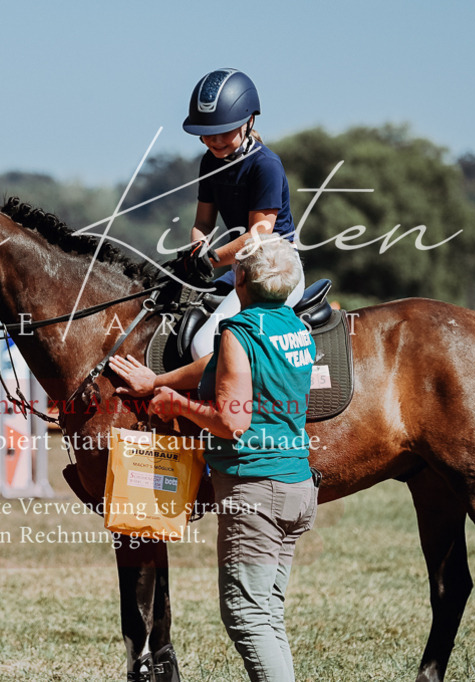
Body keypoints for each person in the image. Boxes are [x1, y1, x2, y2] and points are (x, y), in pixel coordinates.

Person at [111, 237, 317, 682]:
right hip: (297, 487)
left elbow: (232, 423)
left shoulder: (238, 334)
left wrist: (177, 405)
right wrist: (158, 380)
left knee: (246, 617)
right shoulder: (297, 329)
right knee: (266, 615)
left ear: (239, 279)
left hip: (257, 490)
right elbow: (216, 370)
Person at [182, 68, 305, 362]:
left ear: (249, 121)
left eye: (224, 131)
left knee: (203, 347)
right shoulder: (209, 163)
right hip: (240, 270)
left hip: (275, 270)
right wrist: (198, 248)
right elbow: (202, 223)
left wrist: (209, 260)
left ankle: (245, 408)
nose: (215, 141)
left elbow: (259, 236)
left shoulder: (266, 165)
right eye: (206, 134)